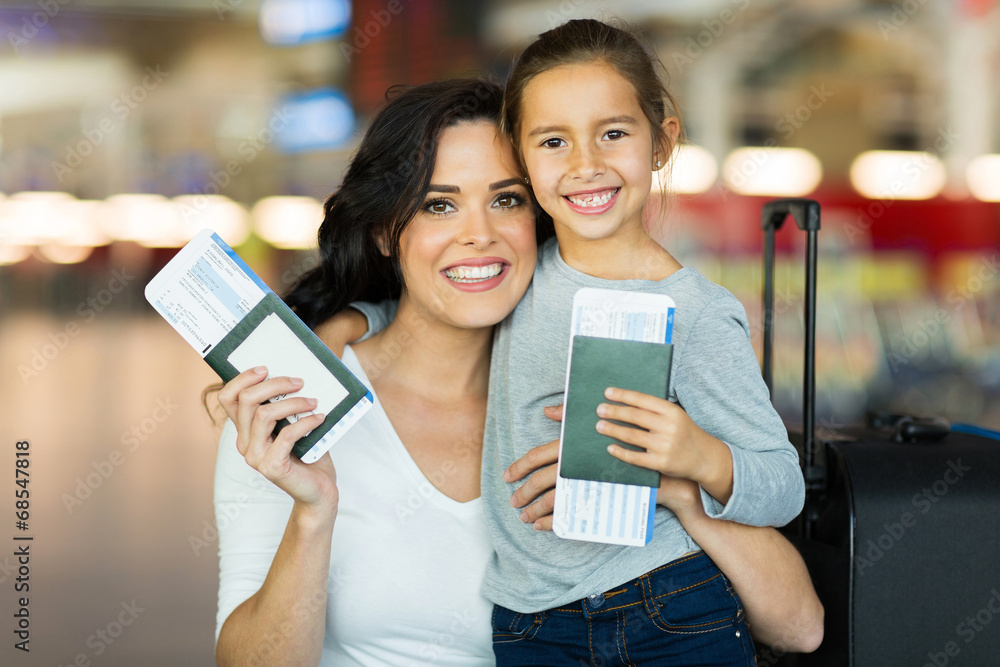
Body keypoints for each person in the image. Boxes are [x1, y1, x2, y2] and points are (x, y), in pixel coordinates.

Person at [214, 77, 822, 666]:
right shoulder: (292, 406)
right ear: (382, 231)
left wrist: (678, 495)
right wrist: (314, 511)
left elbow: (799, 626)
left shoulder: (614, 385)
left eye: (507, 200)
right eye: (438, 205)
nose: (478, 235)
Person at [357, 19, 809, 665]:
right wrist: (349, 323)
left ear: (662, 141)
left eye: (614, 133)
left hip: (669, 603)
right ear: (519, 154)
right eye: (552, 141)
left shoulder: (697, 312)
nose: (586, 165)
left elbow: (781, 485)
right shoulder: (514, 275)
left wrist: (693, 455)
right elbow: (422, 308)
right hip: (530, 619)